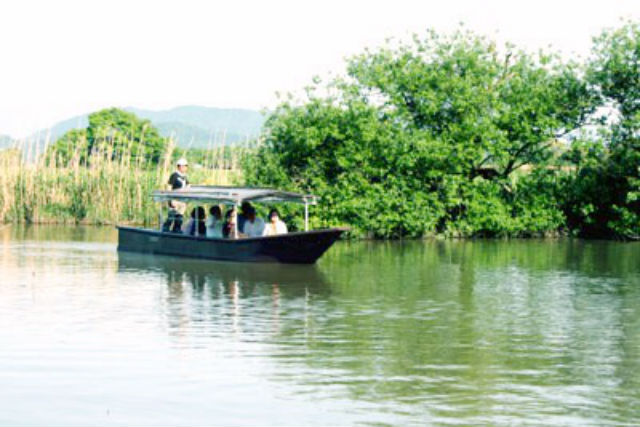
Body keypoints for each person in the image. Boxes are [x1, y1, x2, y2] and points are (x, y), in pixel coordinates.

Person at [162, 158, 190, 233]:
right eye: (184, 166)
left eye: (186, 166)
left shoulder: (184, 176)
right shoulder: (174, 175)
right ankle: (166, 228)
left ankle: (177, 229)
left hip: (182, 199)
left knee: (180, 216)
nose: (185, 168)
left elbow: (188, 186)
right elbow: (169, 187)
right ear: (179, 166)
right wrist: (170, 200)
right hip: (175, 199)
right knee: (172, 215)